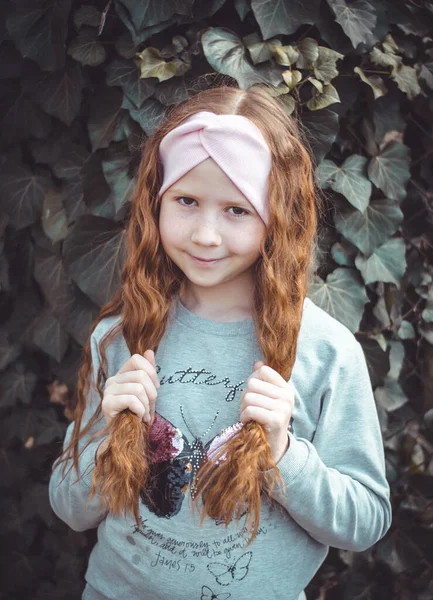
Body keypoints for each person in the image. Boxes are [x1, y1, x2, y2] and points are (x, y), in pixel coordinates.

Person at [48, 84, 392, 600]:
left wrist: (284, 454)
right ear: (155, 203)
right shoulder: (124, 335)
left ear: (277, 218)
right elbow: (68, 508)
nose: (206, 235)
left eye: (236, 210)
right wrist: (103, 446)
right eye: (187, 201)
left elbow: (365, 521)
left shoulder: (325, 350)